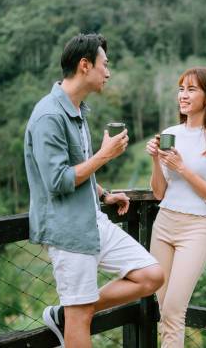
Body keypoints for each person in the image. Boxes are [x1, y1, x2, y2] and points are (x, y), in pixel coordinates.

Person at [24, 33, 164, 348]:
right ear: (85, 66)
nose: (108, 73)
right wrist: (104, 156)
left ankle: (69, 313)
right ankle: (74, 315)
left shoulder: (77, 110)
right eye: (105, 65)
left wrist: (103, 195)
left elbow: (77, 168)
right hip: (68, 231)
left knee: (151, 275)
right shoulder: (49, 116)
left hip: (92, 221)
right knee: (81, 323)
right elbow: (57, 180)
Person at [146, 67, 206, 347]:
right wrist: (155, 160)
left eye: (191, 89)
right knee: (161, 309)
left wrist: (183, 169)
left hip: (196, 228)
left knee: (174, 311)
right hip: (164, 224)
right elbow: (160, 192)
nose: (183, 96)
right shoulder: (171, 133)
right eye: (181, 89)